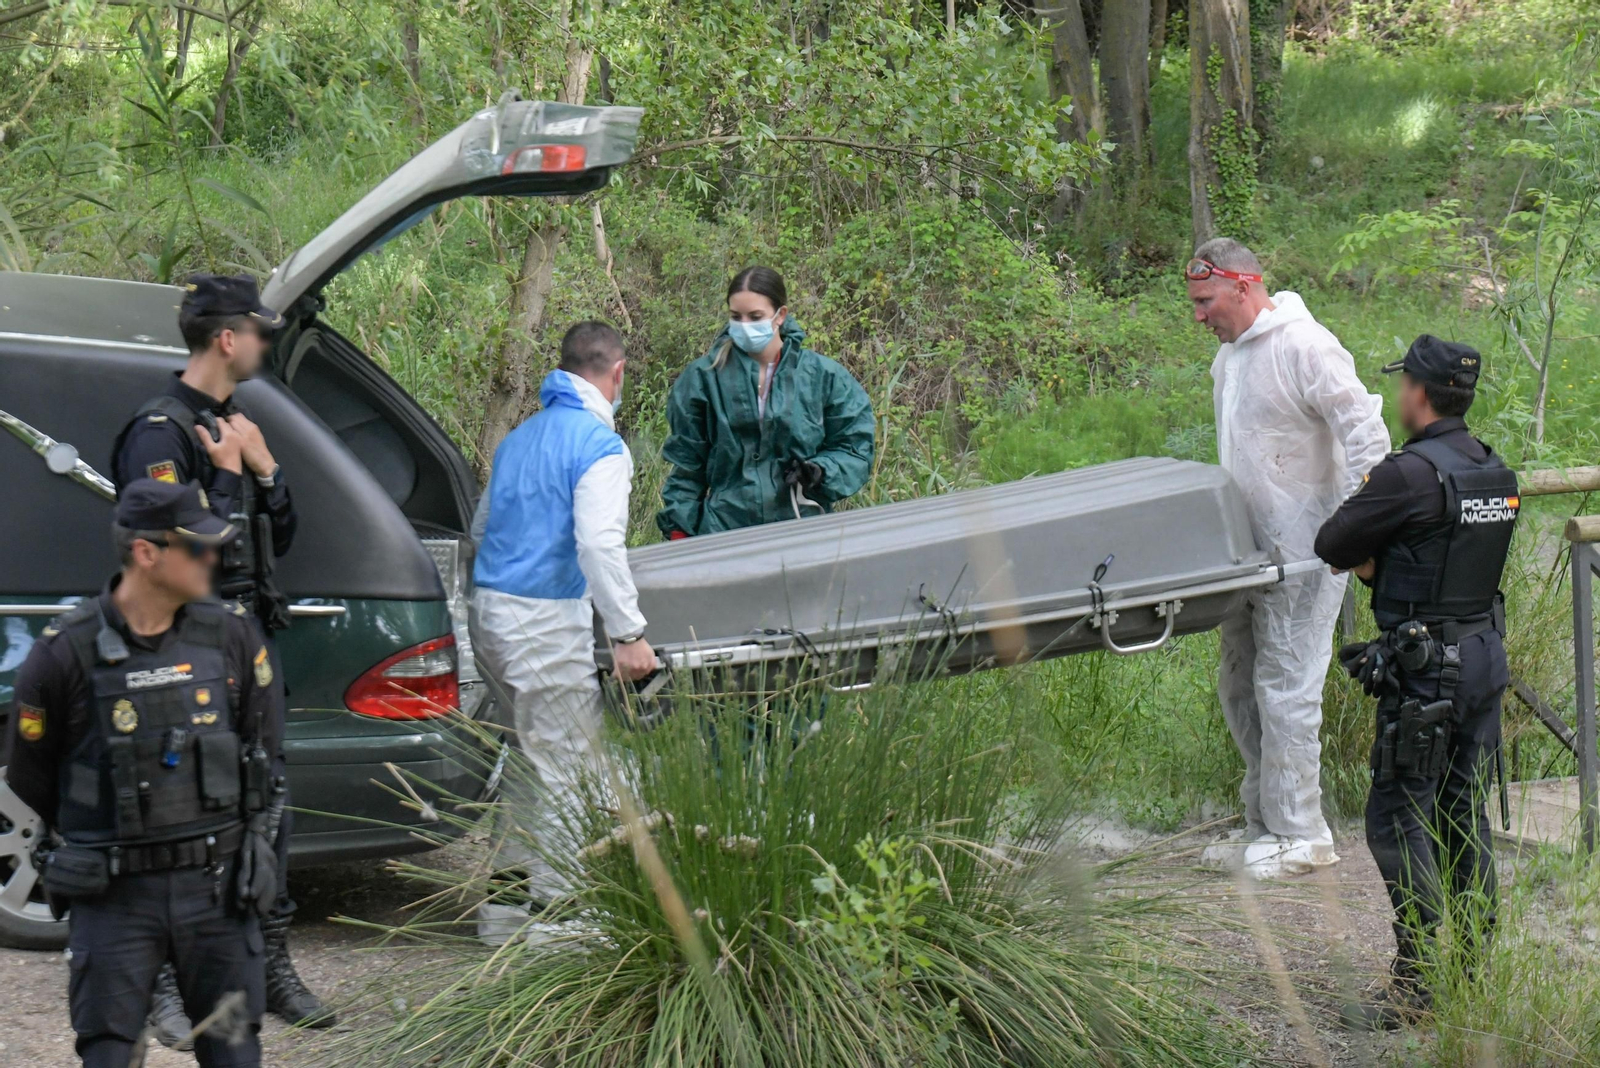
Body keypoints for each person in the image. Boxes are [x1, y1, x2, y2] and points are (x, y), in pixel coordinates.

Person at [110, 274, 332, 1037]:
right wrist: (233, 478)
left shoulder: (236, 421)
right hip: (183, 644)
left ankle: (269, 966)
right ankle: (164, 987)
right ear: (226, 338)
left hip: (246, 645)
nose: (268, 345)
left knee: (267, 807)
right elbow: (177, 552)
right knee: (178, 814)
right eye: (262, 332)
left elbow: (283, 538)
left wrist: (266, 470)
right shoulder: (160, 431)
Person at [4, 480, 276, 1067]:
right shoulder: (63, 655)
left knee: (233, 1047)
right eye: (198, 548)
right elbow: (32, 778)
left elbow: (264, 746)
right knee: (110, 1053)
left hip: (216, 892)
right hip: (116, 899)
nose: (214, 558)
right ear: (147, 554)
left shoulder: (230, 635)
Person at [1315, 336, 1517, 1028]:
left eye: (1403, 383)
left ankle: (1417, 986)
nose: (1399, 394)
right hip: (1483, 659)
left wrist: (1376, 568)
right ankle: (1469, 970)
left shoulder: (1407, 473)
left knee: (1397, 815)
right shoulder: (1493, 469)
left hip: (1427, 670)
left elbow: (1333, 544)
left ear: (1419, 393)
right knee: (1461, 810)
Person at [1189, 238, 1392, 878]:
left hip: (1309, 556)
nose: (1198, 315)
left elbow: (1368, 435)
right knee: (1240, 685)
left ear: (1244, 287)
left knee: (1286, 688)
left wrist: (1359, 537)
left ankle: (1303, 834)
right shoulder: (1230, 359)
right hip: (1246, 554)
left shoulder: (1306, 345)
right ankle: (1263, 826)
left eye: (1206, 300)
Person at [470, 321, 657, 944]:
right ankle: (563, 933)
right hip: (542, 621)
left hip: (489, 614)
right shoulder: (600, 446)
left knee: (527, 761)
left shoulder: (519, 438)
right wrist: (629, 633)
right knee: (571, 772)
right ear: (617, 372)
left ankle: (502, 915)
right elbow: (599, 545)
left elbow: (481, 528)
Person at [656, 266, 875, 539]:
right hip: (724, 533)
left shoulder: (823, 377)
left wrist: (821, 471)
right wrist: (680, 531)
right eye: (736, 317)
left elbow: (855, 447)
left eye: (755, 316)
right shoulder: (703, 378)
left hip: (802, 530)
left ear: (780, 315)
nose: (745, 325)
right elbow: (687, 465)